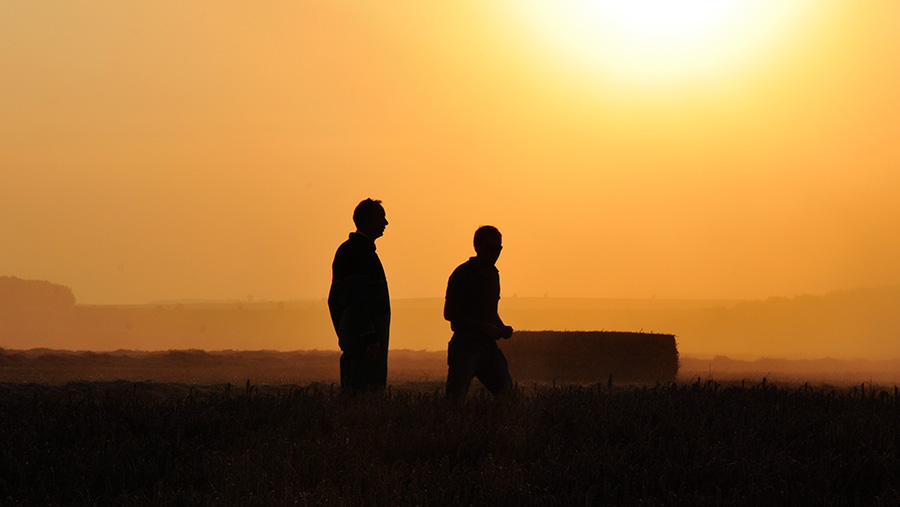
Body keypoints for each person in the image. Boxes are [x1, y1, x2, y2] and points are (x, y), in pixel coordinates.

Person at [444, 225, 514, 400]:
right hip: (465, 347)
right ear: (477, 247)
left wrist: (501, 326)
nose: (495, 253)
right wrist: (484, 327)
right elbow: (450, 312)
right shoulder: (462, 274)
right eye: (490, 248)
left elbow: (491, 311)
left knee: (509, 397)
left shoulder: (494, 275)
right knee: (455, 401)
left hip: (488, 348)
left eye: (498, 248)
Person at [328, 198, 390, 392]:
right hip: (364, 342)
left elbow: (336, 301)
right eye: (381, 218)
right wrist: (369, 338)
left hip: (359, 337)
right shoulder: (357, 252)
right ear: (367, 220)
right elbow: (355, 300)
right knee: (363, 392)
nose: (386, 223)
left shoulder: (357, 250)